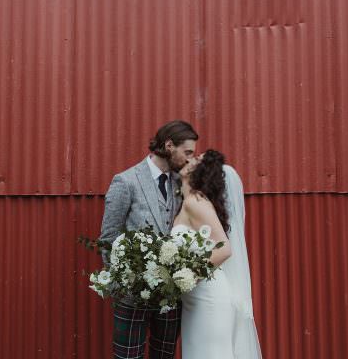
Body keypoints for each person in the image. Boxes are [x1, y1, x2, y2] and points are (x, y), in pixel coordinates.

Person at [99, 120, 198, 359]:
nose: (189, 160)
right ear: (169, 145)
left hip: (171, 297)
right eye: (187, 153)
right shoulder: (126, 181)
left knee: (164, 355)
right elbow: (108, 238)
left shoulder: (181, 183)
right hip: (132, 296)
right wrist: (124, 283)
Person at [172, 150, 262, 359]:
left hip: (208, 298)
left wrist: (189, 274)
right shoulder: (189, 201)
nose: (189, 159)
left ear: (201, 174)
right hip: (195, 299)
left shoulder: (196, 202)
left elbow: (224, 248)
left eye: (195, 160)